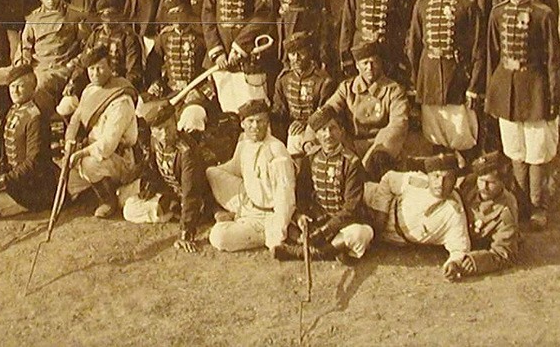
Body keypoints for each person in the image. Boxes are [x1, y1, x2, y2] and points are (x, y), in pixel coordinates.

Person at [485, 0, 560, 228]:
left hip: (535, 89)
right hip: (507, 89)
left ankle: (538, 207)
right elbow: (492, 55)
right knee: (515, 149)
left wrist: (555, 99)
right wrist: (491, 92)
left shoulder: (543, 14)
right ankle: (520, 203)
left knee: (537, 150)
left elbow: (554, 60)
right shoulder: (497, 13)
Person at [407, 0, 483, 154]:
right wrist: (416, 81)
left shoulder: (467, 5)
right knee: (434, 134)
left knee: (461, 133)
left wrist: (473, 86)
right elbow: (414, 46)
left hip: (456, 76)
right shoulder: (422, 4)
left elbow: (478, 49)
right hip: (430, 77)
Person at [206, 99, 297, 254]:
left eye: (260, 121)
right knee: (211, 172)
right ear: (242, 124)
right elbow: (232, 170)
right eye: (251, 121)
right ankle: (238, 215)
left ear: (267, 123)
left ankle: (263, 233)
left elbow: (286, 198)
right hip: (249, 204)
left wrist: (277, 237)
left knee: (218, 236)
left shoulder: (276, 150)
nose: (255, 126)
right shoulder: (244, 145)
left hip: (269, 215)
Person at [204, 0, 279, 115]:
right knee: (228, 111)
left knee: (254, 111)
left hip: (248, 57)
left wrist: (240, 46)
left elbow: (263, 15)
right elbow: (208, 13)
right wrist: (217, 52)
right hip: (222, 58)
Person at [287, 106, 374, 263]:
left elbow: (351, 208)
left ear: (341, 131)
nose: (328, 135)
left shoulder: (352, 162)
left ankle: (308, 252)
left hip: (345, 223)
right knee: (283, 219)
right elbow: (302, 194)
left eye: (332, 129)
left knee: (359, 234)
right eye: (322, 130)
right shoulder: (310, 158)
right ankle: (334, 249)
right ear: (317, 135)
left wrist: (325, 231)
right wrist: (302, 216)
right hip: (318, 219)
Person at [61, 45, 139, 218]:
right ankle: (94, 188)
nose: (95, 73)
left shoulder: (121, 98)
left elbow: (107, 145)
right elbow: (76, 118)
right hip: (92, 152)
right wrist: (69, 143)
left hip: (118, 158)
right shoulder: (90, 90)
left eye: (100, 68)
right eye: (91, 69)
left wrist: (80, 154)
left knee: (89, 165)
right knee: (66, 179)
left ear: (111, 68)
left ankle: (108, 199)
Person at [124, 99, 211, 250]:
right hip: (171, 194)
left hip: (194, 200)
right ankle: (172, 209)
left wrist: (186, 233)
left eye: (169, 128)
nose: (165, 134)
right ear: (152, 131)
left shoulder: (186, 151)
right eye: (159, 129)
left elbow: (191, 191)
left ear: (176, 123)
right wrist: (151, 186)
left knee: (132, 208)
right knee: (127, 206)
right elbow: (154, 168)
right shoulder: (155, 142)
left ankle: (184, 217)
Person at [364, 155, 471, 276]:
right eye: (436, 176)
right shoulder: (418, 181)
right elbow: (389, 178)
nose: (440, 183)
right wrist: (381, 214)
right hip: (376, 201)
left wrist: (454, 263)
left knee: (353, 236)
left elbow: (460, 248)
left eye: (448, 178)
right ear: (429, 176)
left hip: (390, 236)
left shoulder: (454, 212)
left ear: (455, 180)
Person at [0, 62, 57, 219]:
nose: (14, 91)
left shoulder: (35, 117)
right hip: (15, 176)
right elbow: (2, 143)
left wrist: (4, 180)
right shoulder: (13, 109)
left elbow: (34, 162)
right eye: (12, 87)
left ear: (32, 88)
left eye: (20, 86)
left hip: (33, 183)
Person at [322, 40, 409, 179]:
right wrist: (309, 138)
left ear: (381, 62)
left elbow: (399, 124)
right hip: (352, 146)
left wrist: (376, 151)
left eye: (374, 62)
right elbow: (327, 111)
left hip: (383, 148)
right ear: (357, 66)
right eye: (365, 63)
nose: (370, 67)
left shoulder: (393, 90)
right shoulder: (347, 88)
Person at [448, 152, 520, 280]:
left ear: (503, 182)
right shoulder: (468, 184)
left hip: (480, 244)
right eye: (481, 180)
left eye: (490, 182)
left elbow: (504, 253)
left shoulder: (506, 211)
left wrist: (476, 261)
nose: (484, 187)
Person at [17, 0, 83, 104]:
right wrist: (21, 64)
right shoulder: (33, 18)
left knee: (38, 86)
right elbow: (25, 46)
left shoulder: (73, 15)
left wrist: (74, 63)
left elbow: (87, 46)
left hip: (58, 68)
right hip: (35, 66)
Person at [272, 30, 335, 156]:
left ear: (310, 52)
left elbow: (326, 112)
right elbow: (279, 110)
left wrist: (307, 123)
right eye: (292, 54)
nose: (296, 58)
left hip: (317, 130)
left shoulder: (323, 80)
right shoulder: (284, 79)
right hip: (293, 131)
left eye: (301, 53)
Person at [146, 0, 210, 106]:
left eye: (180, 12)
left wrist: (201, 92)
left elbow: (209, 72)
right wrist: (156, 82)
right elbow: (153, 65)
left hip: (194, 94)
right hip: (170, 93)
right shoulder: (164, 38)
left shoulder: (201, 39)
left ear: (187, 12)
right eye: (172, 14)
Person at [80, 0, 144, 90]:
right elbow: (84, 62)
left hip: (119, 86)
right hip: (96, 83)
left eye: (112, 14)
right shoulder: (96, 35)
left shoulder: (128, 38)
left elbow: (134, 72)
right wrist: (73, 81)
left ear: (118, 15)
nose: (108, 20)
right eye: (104, 15)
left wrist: (119, 88)